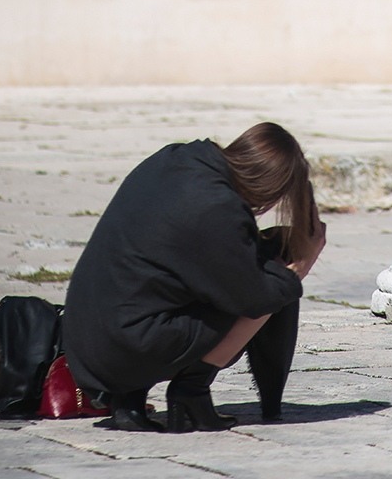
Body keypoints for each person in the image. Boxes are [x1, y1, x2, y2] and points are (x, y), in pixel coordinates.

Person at [62, 122, 327, 431]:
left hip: (89, 339)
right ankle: (193, 390)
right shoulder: (218, 208)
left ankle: (128, 401)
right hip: (127, 348)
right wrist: (301, 266)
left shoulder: (178, 158)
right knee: (277, 283)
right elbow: (256, 299)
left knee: (262, 260)